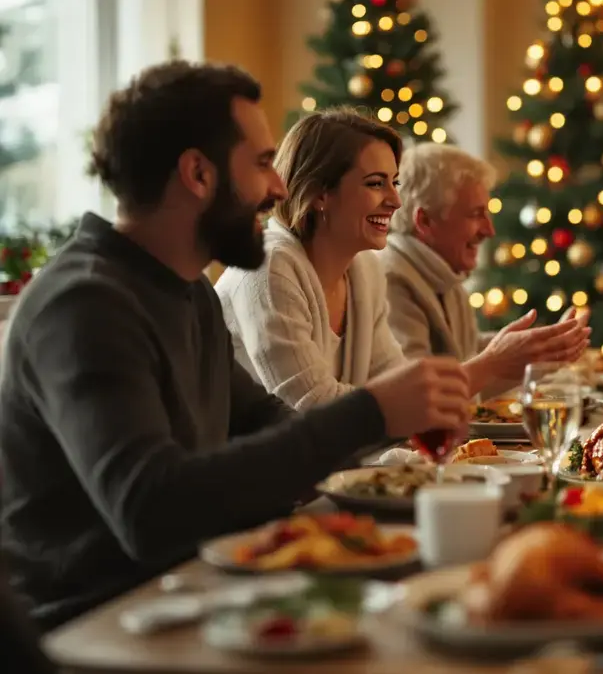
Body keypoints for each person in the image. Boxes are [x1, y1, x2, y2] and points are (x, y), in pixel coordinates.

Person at [0, 62, 471, 631]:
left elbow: (267, 423)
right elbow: (151, 507)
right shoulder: (83, 306)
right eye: (263, 163)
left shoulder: (188, 290)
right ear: (198, 173)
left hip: (191, 595)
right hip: (98, 629)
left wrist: (383, 422)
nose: (278, 188)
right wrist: (370, 412)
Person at [214, 108, 413, 409]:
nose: (395, 201)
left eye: (394, 183)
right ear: (319, 193)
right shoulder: (268, 268)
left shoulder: (365, 272)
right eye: (375, 183)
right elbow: (310, 408)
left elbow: (397, 384)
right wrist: (483, 368)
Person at [379, 143, 590, 397]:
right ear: (425, 221)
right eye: (476, 214)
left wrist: (542, 349)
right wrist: (501, 360)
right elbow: (416, 399)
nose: (489, 230)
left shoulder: (444, 272)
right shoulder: (390, 280)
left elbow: (466, 355)